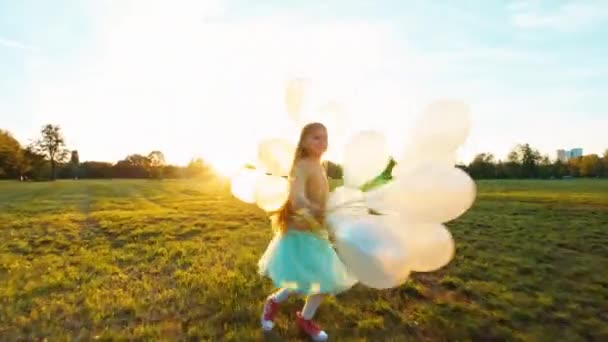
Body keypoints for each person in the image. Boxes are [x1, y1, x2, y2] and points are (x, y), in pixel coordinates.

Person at [258, 122, 356, 341]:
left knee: (325, 280)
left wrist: (333, 207)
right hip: (299, 233)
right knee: (301, 279)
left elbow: (320, 195)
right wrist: (312, 207)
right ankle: (273, 303)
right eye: (316, 138)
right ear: (303, 141)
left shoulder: (320, 165)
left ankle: (305, 319)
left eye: (325, 138)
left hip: (316, 232)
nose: (323, 142)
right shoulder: (300, 166)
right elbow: (297, 196)